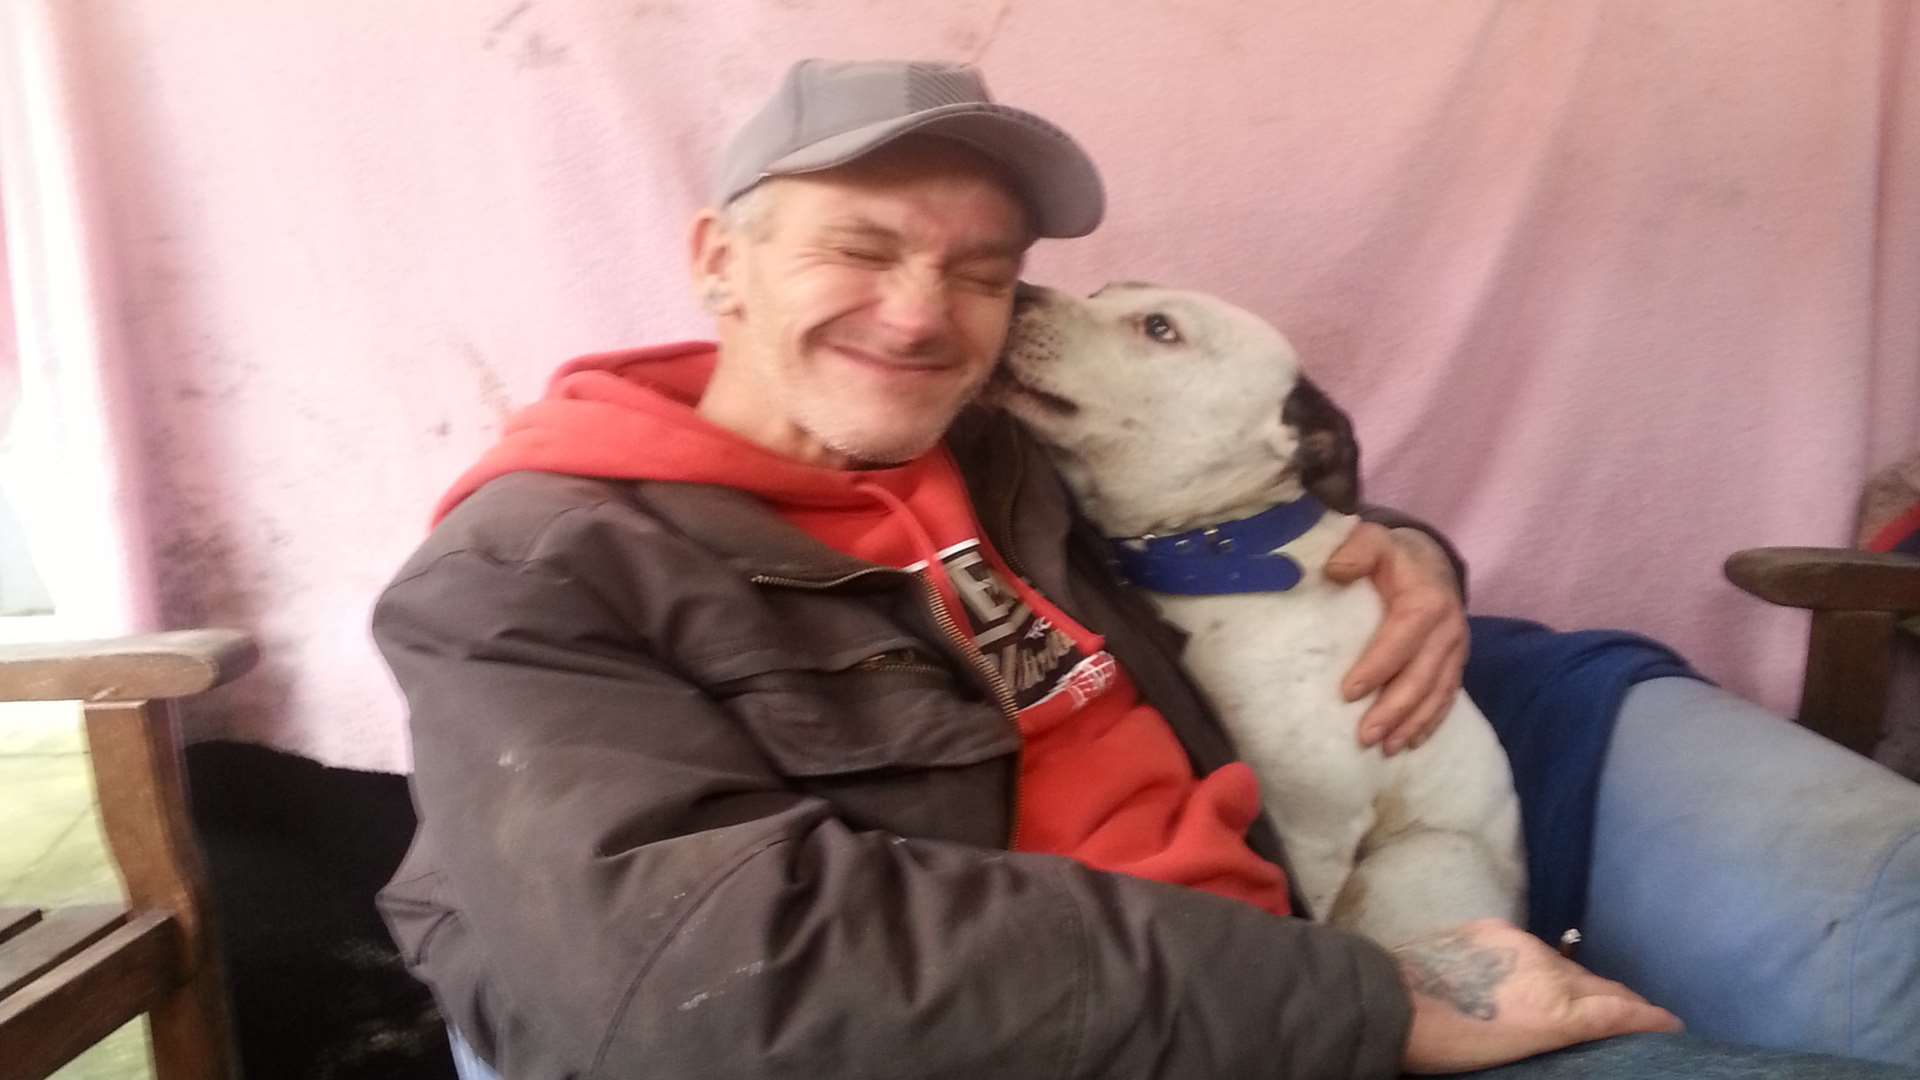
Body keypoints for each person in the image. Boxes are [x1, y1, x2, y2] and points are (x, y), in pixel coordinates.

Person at [372, 60, 1920, 1079]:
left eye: (982, 273)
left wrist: (1412, 562)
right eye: (858, 247)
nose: (923, 316)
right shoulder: (531, 577)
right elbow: (701, 970)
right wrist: (1374, 1006)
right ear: (718, 258)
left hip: (1289, 945)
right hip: (1151, 1022)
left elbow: (1242, 491)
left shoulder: (996, 448)